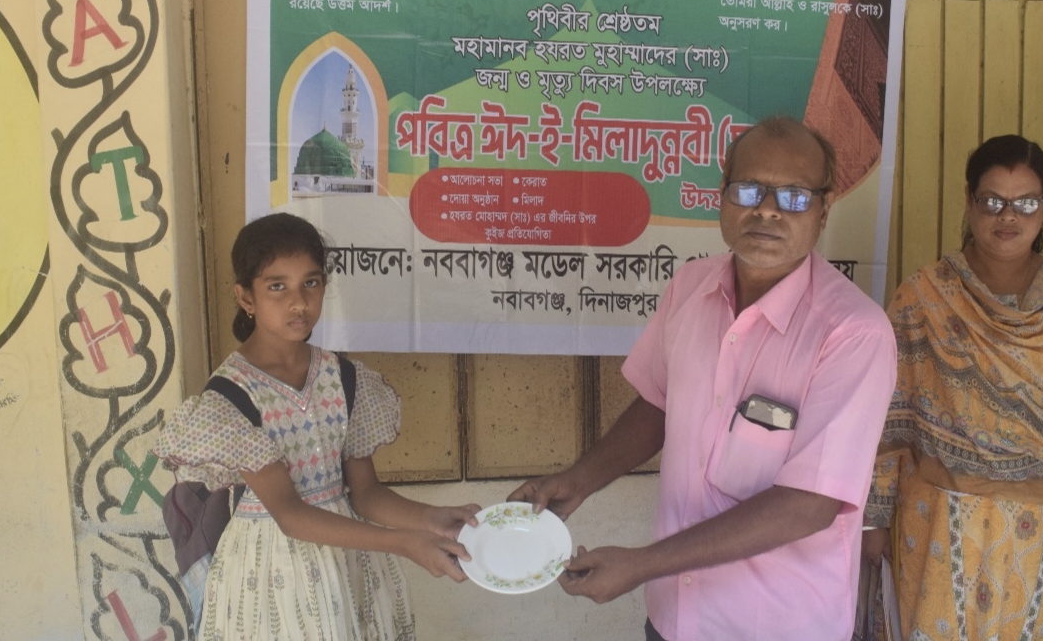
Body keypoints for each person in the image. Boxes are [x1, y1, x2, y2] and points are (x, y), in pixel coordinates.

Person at [509, 117, 898, 641]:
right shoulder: (690, 287)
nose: (766, 210)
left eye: (794, 196)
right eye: (749, 189)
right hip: (674, 617)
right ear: (722, 195)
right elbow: (660, 403)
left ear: (824, 209)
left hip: (775, 625)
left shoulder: (853, 333)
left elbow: (809, 504)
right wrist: (578, 481)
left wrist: (643, 563)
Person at [862, 134, 1043, 641]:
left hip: (1037, 534)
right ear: (969, 202)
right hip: (934, 525)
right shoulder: (924, 296)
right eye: (992, 201)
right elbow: (885, 420)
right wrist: (874, 519)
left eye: (1026, 203)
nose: (1008, 216)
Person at [154, 213, 479, 641]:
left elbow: (366, 493)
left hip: (349, 561)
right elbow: (290, 515)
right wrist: (404, 542)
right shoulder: (232, 395)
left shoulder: (343, 377)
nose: (298, 302)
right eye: (277, 286)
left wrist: (432, 520)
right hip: (272, 570)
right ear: (246, 297)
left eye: (311, 282)